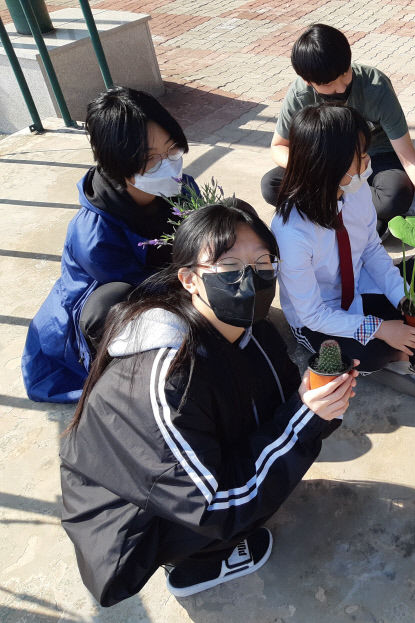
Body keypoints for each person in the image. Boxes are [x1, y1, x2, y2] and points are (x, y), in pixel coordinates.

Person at [60, 201, 358, 606]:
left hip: (186, 475)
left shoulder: (252, 329)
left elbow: (287, 398)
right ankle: (197, 562)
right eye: (229, 264)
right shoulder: (165, 377)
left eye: (263, 261)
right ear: (190, 280)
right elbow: (214, 505)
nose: (250, 278)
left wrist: (319, 401)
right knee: (236, 509)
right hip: (136, 523)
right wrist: (304, 421)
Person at [22, 86, 199, 403]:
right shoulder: (94, 233)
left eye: (172, 150)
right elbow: (143, 291)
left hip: (171, 280)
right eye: (150, 159)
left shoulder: (181, 188)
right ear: (118, 164)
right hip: (109, 304)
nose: (168, 164)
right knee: (111, 303)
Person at [271, 104, 415, 400]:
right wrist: (381, 329)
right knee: (369, 353)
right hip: (323, 317)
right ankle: (397, 355)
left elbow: (370, 248)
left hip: (360, 286)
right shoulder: (292, 232)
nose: (368, 162)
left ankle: (404, 342)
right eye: (360, 157)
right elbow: (314, 314)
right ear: (329, 166)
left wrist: (403, 298)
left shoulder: (355, 190)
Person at [261, 23, 415, 243]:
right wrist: (318, 170)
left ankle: (337, 211)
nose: (341, 88)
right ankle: (365, 218)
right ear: (308, 81)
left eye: (344, 74)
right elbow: (278, 147)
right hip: (327, 164)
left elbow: (407, 155)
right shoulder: (300, 94)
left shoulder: (376, 86)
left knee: (394, 197)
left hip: (374, 160)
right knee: (272, 185)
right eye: (328, 84)